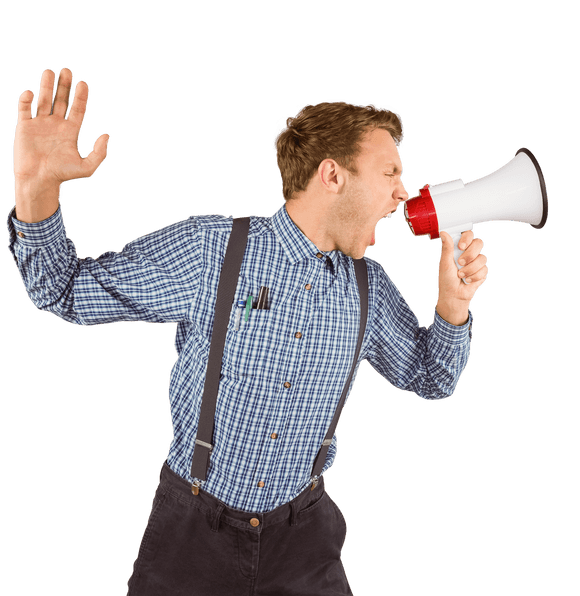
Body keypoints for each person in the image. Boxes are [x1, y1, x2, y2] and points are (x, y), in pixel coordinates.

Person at [8, 67, 489, 595]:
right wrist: (38, 188)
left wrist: (452, 306)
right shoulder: (213, 250)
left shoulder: (368, 288)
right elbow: (65, 289)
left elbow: (431, 378)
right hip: (191, 535)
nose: (402, 193)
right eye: (390, 172)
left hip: (304, 539)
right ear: (333, 175)